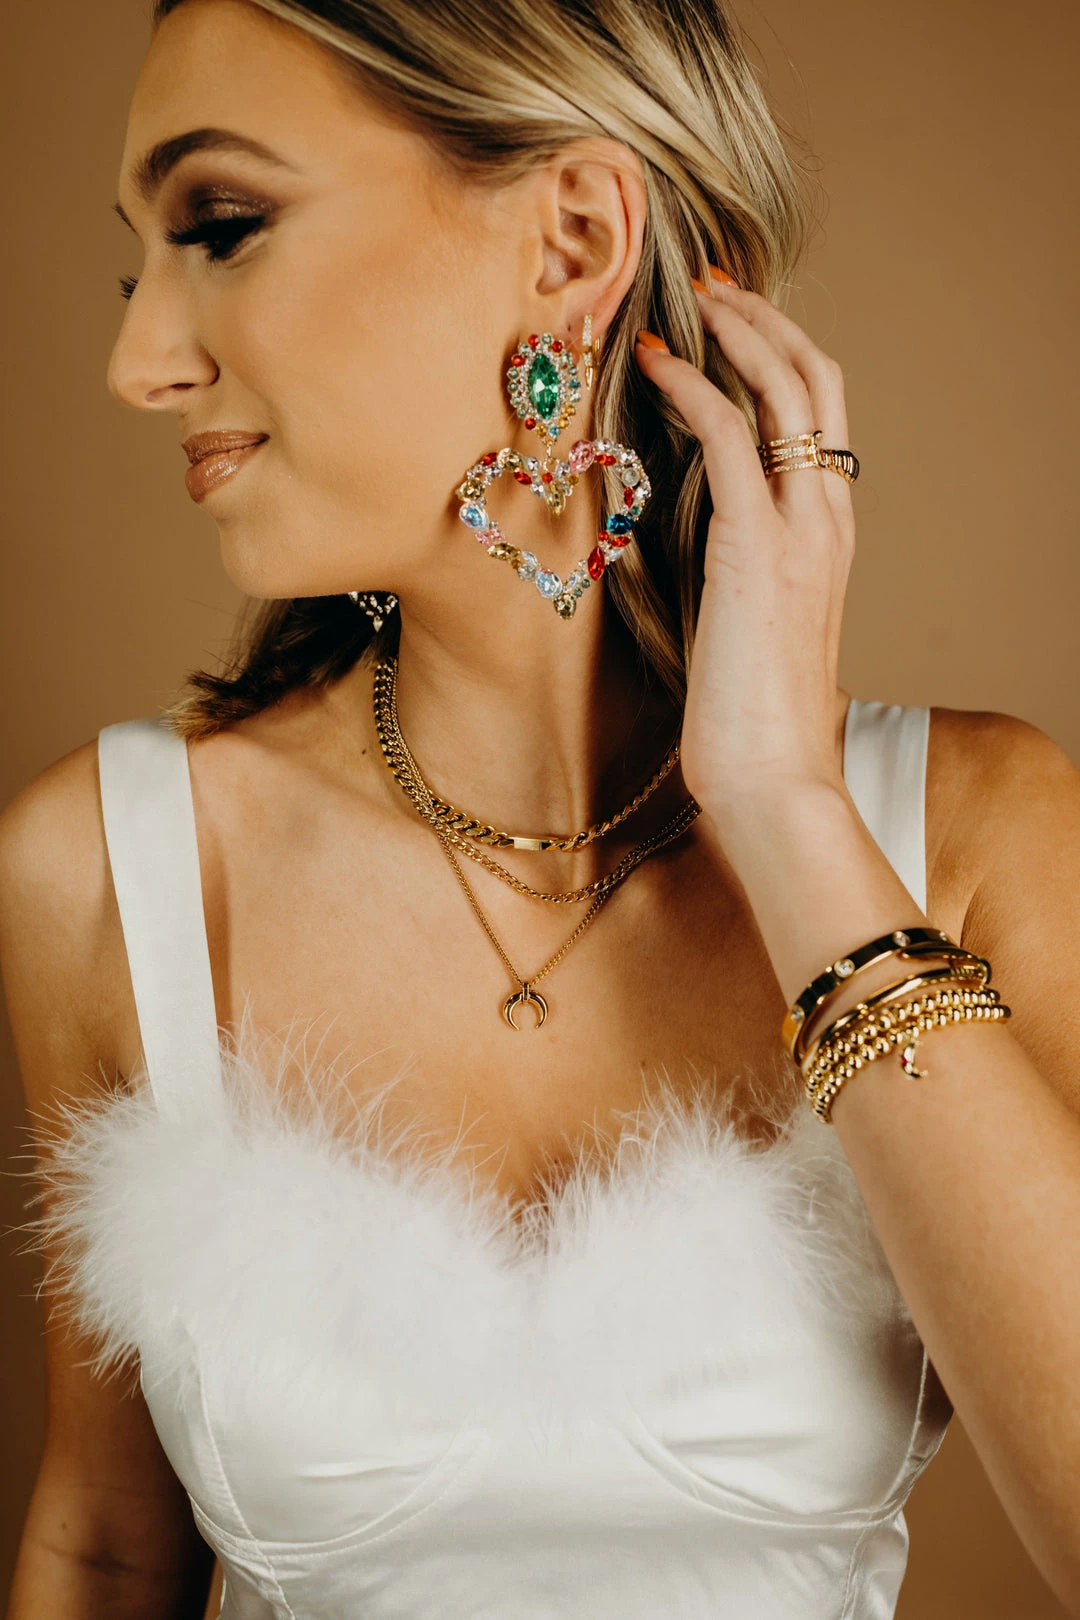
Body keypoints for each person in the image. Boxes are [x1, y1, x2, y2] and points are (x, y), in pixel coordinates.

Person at [3, 0, 1079, 1615]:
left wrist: (785, 810)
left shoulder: (973, 834)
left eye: (221, 226)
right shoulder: (107, 870)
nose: (138, 363)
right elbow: (102, 1544)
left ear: (571, 241)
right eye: (135, 266)